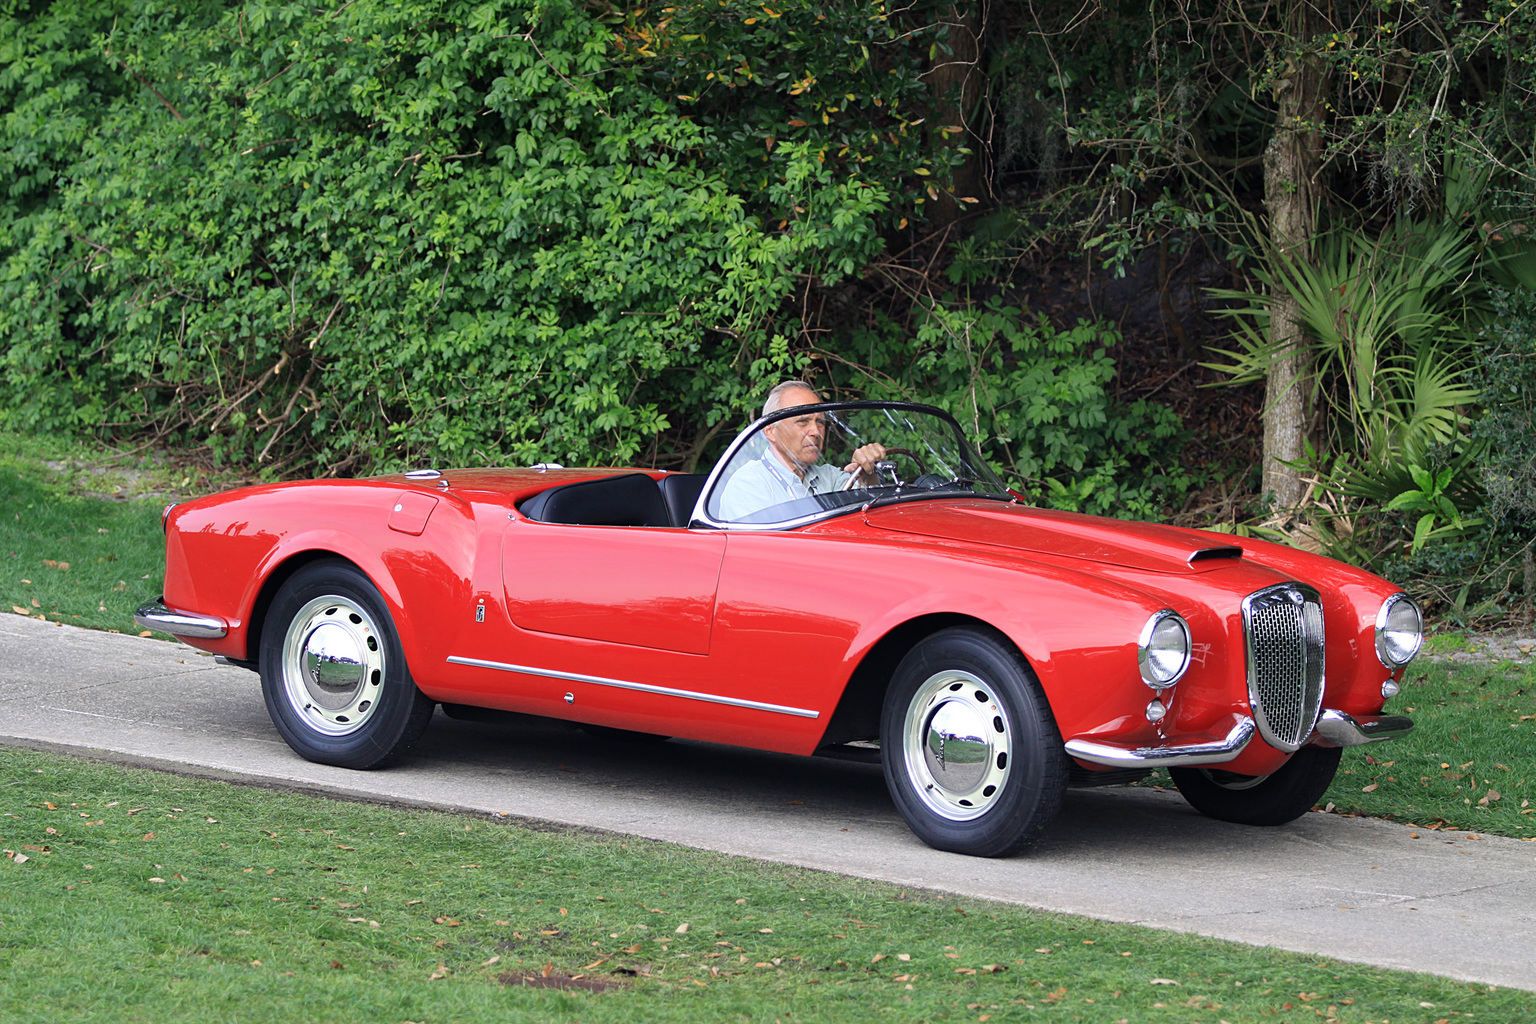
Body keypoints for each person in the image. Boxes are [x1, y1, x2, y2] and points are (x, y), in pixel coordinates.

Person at [716, 381, 887, 521]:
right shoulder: (750, 483)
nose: (815, 431)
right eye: (803, 421)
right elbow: (759, 552)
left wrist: (867, 473)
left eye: (820, 422)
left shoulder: (828, 476)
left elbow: (870, 512)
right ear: (771, 431)